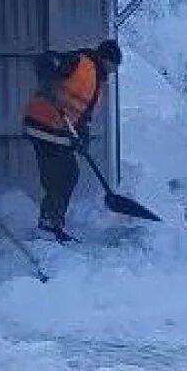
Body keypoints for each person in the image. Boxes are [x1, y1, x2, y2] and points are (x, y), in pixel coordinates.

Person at [23, 38, 122, 241]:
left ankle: (51, 222)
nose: (113, 72)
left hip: (56, 132)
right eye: (113, 66)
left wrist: (82, 138)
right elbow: (45, 60)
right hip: (43, 125)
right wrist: (49, 83)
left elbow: (83, 115)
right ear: (106, 59)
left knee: (67, 175)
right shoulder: (79, 61)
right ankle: (49, 225)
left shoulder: (96, 80)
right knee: (63, 176)